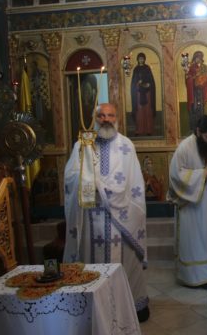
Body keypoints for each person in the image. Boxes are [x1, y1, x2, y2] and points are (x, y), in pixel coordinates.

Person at [63, 103, 150, 322]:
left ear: (117, 117)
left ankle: (127, 307)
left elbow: (134, 185)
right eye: (101, 116)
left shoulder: (126, 146)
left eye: (110, 115)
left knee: (125, 262)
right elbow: (70, 178)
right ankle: (92, 308)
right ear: (94, 119)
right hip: (89, 219)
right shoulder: (82, 145)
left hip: (121, 221)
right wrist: (86, 182)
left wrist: (104, 188)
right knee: (90, 263)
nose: (106, 119)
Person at [168, 115, 207, 286]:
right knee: (195, 242)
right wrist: (201, 174)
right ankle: (193, 277)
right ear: (198, 132)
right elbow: (175, 175)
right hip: (192, 205)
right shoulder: (184, 148)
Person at [185, 50, 207, 131]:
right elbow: (188, 78)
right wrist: (193, 78)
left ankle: (201, 127)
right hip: (193, 92)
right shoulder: (191, 67)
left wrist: (203, 79)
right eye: (197, 57)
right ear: (194, 58)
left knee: (200, 109)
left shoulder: (204, 68)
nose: (198, 59)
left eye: (200, 57)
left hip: (201, 91)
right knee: (194, 108)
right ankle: (194, 127)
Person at [130, 52, 156, 136]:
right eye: (139, 58)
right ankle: (139, 130)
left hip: (147, 93)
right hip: (138, 94)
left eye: (142, 58)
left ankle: (149, 130)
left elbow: (151, 81)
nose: (141, 60)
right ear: (137, 59)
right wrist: (138, 83)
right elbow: (133, 82)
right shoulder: (136, 69)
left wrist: (148, 84)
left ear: (144, 59)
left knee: (147, 112)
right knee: (139, 112)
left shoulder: (147, 68)